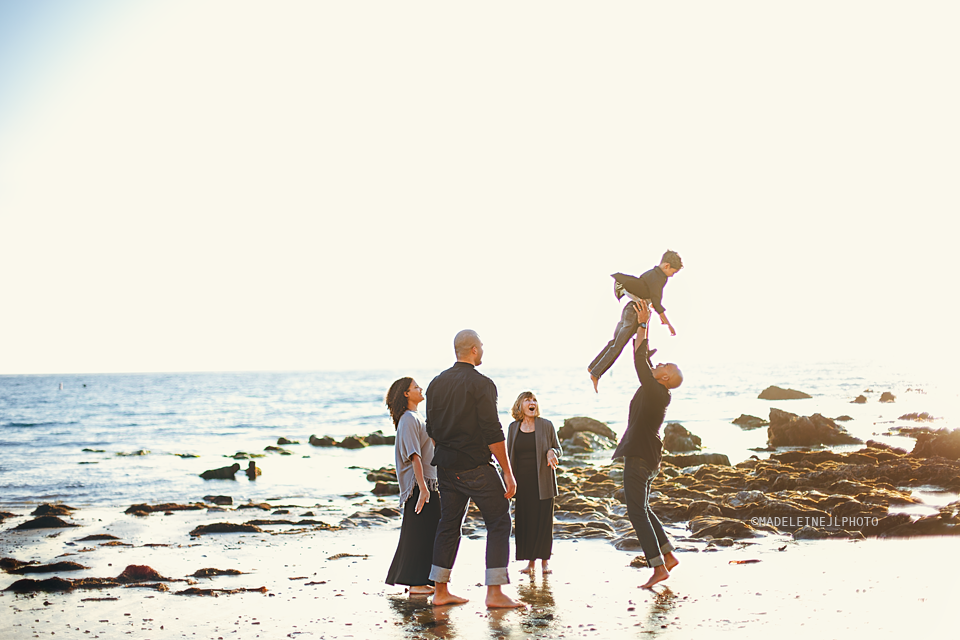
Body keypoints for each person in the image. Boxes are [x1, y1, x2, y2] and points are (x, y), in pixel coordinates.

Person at [425, 330, 524, 609]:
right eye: (481, 346)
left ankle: (440, 591)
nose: (483, 350)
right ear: (473, 350)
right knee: (499, 521)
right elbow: (493, 431)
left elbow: (431, 429)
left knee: (448, 526)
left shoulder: (435, 384)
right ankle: (494, 593)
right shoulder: (482, 384)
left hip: (446, 467)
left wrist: (448, 451)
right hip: (475, 466)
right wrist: (508, 471)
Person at [611, 300, 683, 589]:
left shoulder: (656, 390)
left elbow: (641, 362)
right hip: (649, 456)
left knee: (635, 510)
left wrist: (643, 323)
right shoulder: (658, 390)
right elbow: (642, 357)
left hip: (641, 456)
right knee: (641, 506)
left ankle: (658, 566)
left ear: (665, 378)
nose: (659, 363)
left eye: (664, 365)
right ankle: (667, 553)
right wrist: (641, 326)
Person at [588, 250, 683, 393]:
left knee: (615, 342)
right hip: (636, 311)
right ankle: (596, 373)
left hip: (630, 308)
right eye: (673, 272)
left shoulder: (650, 273)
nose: (672, 275)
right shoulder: (659, 278)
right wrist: (669, 325)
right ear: (666, 266)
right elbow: (657, 303)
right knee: (618, 346)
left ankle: (593, 366)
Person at [384, 377, 441, 596]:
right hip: (419, 484)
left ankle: (421, 580)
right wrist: (423, 489)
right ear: (406, 394)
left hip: (427, 482)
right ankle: (416, 583)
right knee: (418, 532)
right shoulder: (408, 419)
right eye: (416, 387)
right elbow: (414, 456)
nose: (420, 389)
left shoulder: (417, 417)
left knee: (428, 531)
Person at [506, 391, 561, 575]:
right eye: (528, 400)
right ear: (520, 405)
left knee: (543, 522)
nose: (532, 403)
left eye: (535, 400)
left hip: (543, 481)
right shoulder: (513, 428)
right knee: (525, 522)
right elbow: (508, 456)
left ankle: (545, 562)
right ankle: (530, 564)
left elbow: (557, 448)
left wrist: (552, 452)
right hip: (522, 483)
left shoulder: (546, 425)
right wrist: (507, 478)